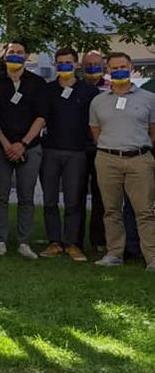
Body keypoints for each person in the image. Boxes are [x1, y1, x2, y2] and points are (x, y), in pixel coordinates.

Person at [90, 53, 155, 270]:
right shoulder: (98, 101)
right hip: (107, 159)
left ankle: (152, 257)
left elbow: (152, 131)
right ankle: (114, 253)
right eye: (114, 67)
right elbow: (96, 131)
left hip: (139, 159)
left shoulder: (148, 98)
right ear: (108, 71)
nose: (119, 70)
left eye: (123, 66)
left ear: (131, 68)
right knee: (111, 210)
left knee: (144, 211)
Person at [0, 40, 47, 260]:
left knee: (26, 197)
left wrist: (23, 144)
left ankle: (23, 241)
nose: (15, 56)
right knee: (0, 196)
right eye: (11, 52)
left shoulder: (38, 83)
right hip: (1, 147)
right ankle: (0, 240)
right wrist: (6, 144)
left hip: (30, 148)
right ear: (4, 56)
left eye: (20, 53)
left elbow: (42, 117)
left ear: (27, 56)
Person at [39, 48, 100, 262]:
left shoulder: (89, 91)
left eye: (68, 62)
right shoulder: (47, 90)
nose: (64, 65)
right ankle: (54, 242)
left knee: (74, 201)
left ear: (76, 65)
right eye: (60, 62)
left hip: (77, 153)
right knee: (49, 200)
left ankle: (73, 243)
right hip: (50, 151)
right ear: (56, 65)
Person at [81, 50, 108, 252]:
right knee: (76, 196)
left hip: (105, 147)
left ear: (104, 66)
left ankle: (99, 240)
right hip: (80, 148)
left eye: (96, 64)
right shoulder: (78, 87)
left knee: (102, 197)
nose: (92, 68)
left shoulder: (112, 87)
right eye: (88, 65)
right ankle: (75, 240)